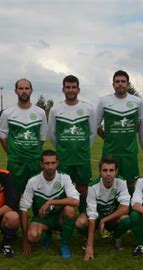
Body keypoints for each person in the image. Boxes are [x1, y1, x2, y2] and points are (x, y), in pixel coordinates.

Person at [48, 75, 96, 226]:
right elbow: (52, 134)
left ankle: (83, 215)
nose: (70, 90)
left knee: (83, 189)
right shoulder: (56, 109)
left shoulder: (87, 108)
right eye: (67, 87)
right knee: (62, 190)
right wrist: (63, 148)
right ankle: (60, 221)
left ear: (78, 89)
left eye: (73, 87)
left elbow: (92, 133)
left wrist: (82, 148)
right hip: (63, 158)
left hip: (82, 158)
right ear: (63, 89)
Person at [20, 150, 80, 259]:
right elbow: (23, 209)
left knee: (70, 210)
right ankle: (47, 232)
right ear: (41, 164)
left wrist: (51, 202)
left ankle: (64, 244)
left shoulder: (64, 177)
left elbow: (76, 201)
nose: (50, 166)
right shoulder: (33, 181)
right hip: (42, 218)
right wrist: (25, 239)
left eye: (53, 163)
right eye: (47, 163)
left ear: (57, 163)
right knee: (32, 236)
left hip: (59, 217)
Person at [0, 78, 47, 204]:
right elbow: (2, 136)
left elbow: (42, 138)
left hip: (35, 161)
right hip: (16, 162)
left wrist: (33, 151)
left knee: (38, 194)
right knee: (14, 194)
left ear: (31, 91)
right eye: (21, 88)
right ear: (16, 91)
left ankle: (38, 220)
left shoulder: (40, 112)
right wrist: (11, 153)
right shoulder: (7, 113)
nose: (24, 91)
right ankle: (15, 220)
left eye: (27, 88)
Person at [96, 70, 143, 193]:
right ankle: (109, 206)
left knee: (131, 183)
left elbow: (139, 123)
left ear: (128, 84)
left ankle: (130, 207)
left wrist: (129, 136)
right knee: (108, 181)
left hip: (129, 151)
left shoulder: (137, 101)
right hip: (110, 150)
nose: (120, 84)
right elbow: (96, 125)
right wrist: (108, 138)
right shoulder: (104, 101)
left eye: (123, 81)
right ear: (113, 84)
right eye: (117, 82)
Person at [83, 156, 131, 261]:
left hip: (110, 217)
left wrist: (105, 220)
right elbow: (92, 216)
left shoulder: (121, 182)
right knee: (80, 222)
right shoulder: (92, 187)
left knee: (127, 220)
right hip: (97, 217)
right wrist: (90, 246)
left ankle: (116, 237)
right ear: (100, 172)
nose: (108, 174)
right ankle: (87, 239)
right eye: (105, 170)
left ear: (116, 171)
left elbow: (125, 208)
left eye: (111, 170)